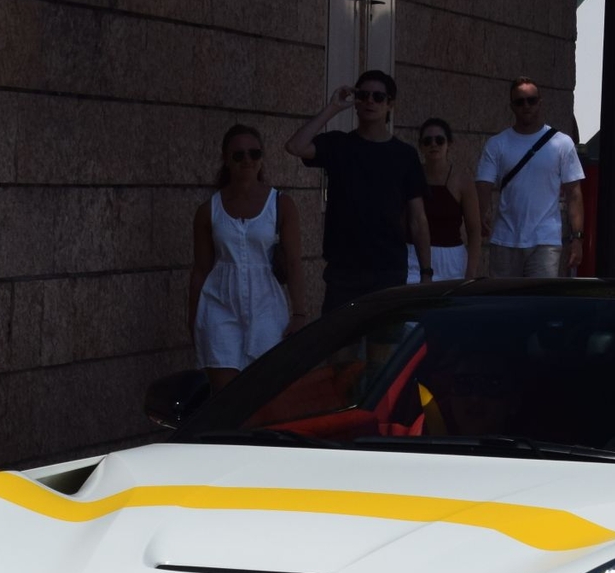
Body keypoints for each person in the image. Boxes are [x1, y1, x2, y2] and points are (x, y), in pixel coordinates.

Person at [285, 70, 431, 312]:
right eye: (363, 96)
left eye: (378, 96)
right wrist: (333, 107)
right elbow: (295, 146)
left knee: (383, 348)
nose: (370, 101)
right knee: (342, 348)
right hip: (344, 271)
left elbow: (418, 219)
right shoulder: (338, 144)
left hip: (388, 270)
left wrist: (426, 272)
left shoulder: (405, 155)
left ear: (390, 104)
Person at [190, 124, 299, 381]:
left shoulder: (281, 204)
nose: (247, 160)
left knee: (265, 392)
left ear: (262, 158)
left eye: (254, 153)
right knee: (225, 394)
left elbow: (294, 263)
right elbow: (201, 269)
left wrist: (300, 313)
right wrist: (193, 319)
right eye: (238, 155)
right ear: (226, 160)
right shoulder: (209, 210)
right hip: (220, 305)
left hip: (267, 305)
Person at [473, 78, 585, 278]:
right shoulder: (497, 144)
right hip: (505, 239)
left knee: (540, 305)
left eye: (531, 100)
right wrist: (482, 215)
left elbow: (574, 193)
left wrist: (577, 238)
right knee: (504, 304)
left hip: (545, 241)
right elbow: (483, 185)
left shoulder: (562, 143)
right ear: (512, 107)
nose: (526, 106)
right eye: (520, 102)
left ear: (540, 102)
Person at [408, 119, 483, 283]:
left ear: (449, 144)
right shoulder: (412, 176)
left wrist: (471, 272)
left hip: (451, 259)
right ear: (421, 146)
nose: (433, 145)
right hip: (414, 256)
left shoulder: (462, 182)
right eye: (427, 141)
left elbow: (474, 230)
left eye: (439, 140)